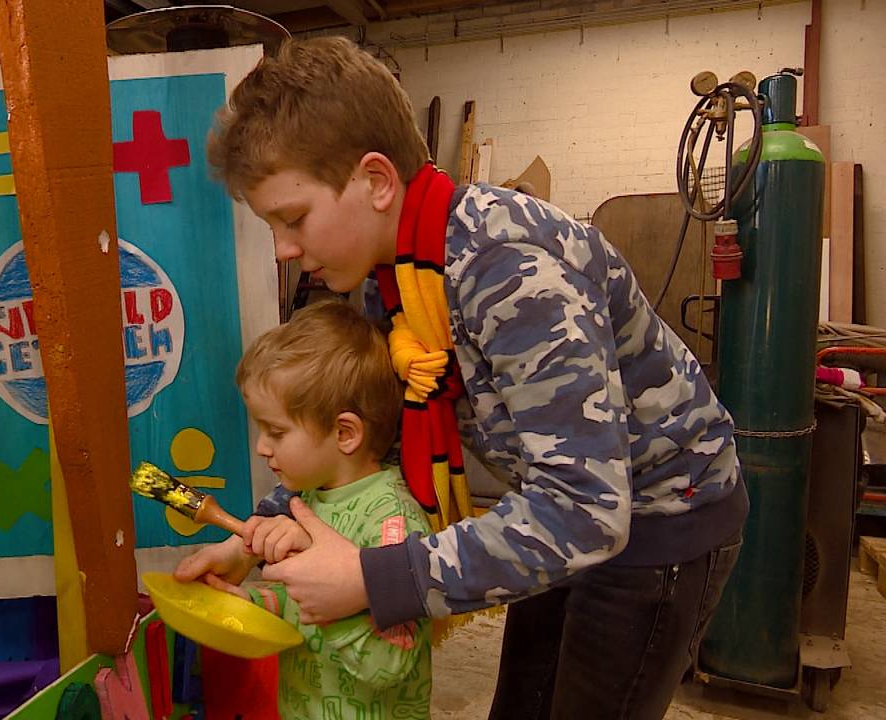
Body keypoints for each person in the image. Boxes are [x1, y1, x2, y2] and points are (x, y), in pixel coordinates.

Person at [176, 36, 747, 719]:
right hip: (553, 506)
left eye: (293, 218)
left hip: (659, 522)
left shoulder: (508, 271)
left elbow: (587, 511)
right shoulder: (393, 278)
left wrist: (373, 578)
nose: (285, 249)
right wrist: (262, 533)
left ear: (377, 181)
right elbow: (375, 431)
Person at [202, 299, 432, 720]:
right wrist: (251, 601)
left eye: (276, 431)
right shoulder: (308, 500)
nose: (262, 447)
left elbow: (390, 664)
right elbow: (298, 604)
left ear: (345, 433)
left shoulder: (393, 523)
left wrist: (327, 607)